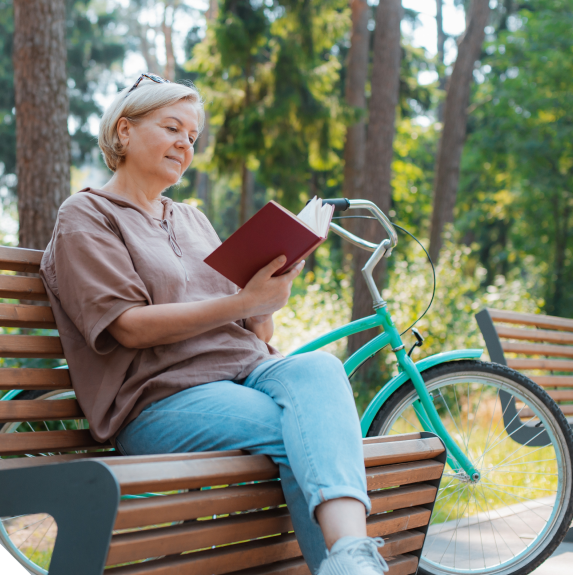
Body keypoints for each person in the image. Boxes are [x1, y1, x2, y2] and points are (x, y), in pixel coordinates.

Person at [40, 74, 388, 575]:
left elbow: (255, 334)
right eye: (172, 127)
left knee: (321, 371)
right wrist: (242, 301)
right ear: (123, 132)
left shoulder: (192, 219)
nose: (185, 144)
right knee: (302, 432)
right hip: (158, 399)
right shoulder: (87, 215)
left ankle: (351, 558)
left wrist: (269, 294)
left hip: (244, 372)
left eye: (193, 137)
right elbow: (130, 328)